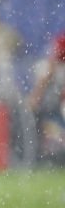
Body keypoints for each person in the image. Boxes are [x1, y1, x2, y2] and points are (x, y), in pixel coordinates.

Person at [27, 31, 65, 165]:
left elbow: (50, 70)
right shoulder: (62, 40)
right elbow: (51, 68)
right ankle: (41, 158)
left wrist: (36, 96)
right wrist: (37, 96)